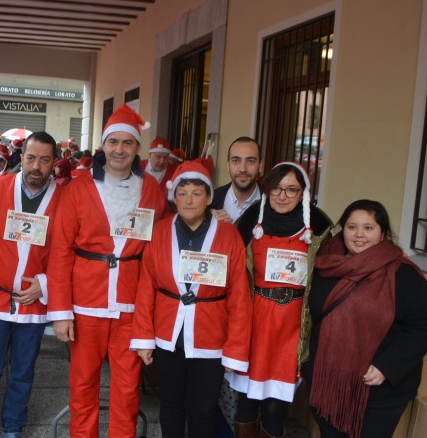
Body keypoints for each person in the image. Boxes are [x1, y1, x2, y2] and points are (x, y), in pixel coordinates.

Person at [47, 104, 165, 436]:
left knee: (127, 390)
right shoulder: (79, 188)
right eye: (113, 142)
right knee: (83, 385)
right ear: (103, 146)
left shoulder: (152, 190)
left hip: (132, 304)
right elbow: (60, 252)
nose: (119, 150)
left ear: (137, 149)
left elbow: (163, 242)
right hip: (86, 303)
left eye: (127, 143)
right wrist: (60, 311)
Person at [131, 160, 252, 437]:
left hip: (211, 337)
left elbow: (240, 297)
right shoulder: (159, 231)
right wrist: (143, 337)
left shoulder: (229, 236)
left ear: (209, 197)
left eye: (197, 193)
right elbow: (146, 287)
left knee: (203, 409)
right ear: (174, 196)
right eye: (182, 193)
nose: (188, 200)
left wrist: (236, 349)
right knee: (171, 406)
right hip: (167, 334)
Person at [304, 200, 427, 438]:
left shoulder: (402, 273)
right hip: (326, 384)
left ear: (382, 234)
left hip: (377, 392)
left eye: (368, 228)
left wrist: (387, 366)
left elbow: (422, 326)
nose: (359, 235)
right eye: (352, 227)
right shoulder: (326, 265)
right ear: (343, 230)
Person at [229, 162, 333, 438]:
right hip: (255, 321)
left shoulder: (320, 230)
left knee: (276, 407)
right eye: (276, 188)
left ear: (303, 193)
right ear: (267, 190)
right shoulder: (250, 222)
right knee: (247, 402)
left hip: (293, 326)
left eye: (291, 189)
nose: (282, 195)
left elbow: (336, 269)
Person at [0, 131, 62, 438]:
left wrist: (46, 284)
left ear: (54, 164)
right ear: (20, 158)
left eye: (45, 159)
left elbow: (70, 250)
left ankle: (12, 425)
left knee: (23, 373)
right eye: (31, 157)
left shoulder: (64, 199)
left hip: (33, 303)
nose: (37, 166)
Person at [210, 136, 262, 224]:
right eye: (236, 160)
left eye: (250, 161)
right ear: (228, 165)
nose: (243, 169)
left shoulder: (272, 202)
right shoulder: (211, 200)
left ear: (260, 166)